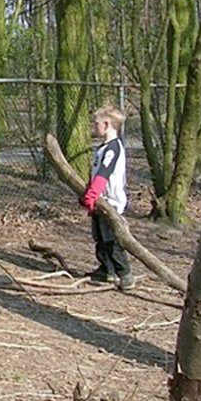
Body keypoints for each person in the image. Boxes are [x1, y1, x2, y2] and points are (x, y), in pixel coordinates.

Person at [81, 103, 134, 290]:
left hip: (110, 201)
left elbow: (104, 173)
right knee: (99, 236)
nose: (93, 126)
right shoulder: (102, 148)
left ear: (107, 123)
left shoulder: (114, 148)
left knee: (111, 239)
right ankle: (106, 269)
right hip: (99, 200)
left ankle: (124, 273)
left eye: (96, 123)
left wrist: (92, 194)